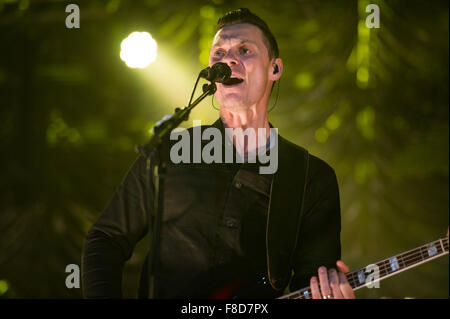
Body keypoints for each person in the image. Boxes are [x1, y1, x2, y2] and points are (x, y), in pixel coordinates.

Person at [82, 8, 355, 299]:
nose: (229, 59)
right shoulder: (171, 152)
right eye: (219, 53)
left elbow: (312, 283)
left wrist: (332, 295)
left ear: (275, 68)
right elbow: (106, 238)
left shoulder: (311, 177)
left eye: (245, 50)